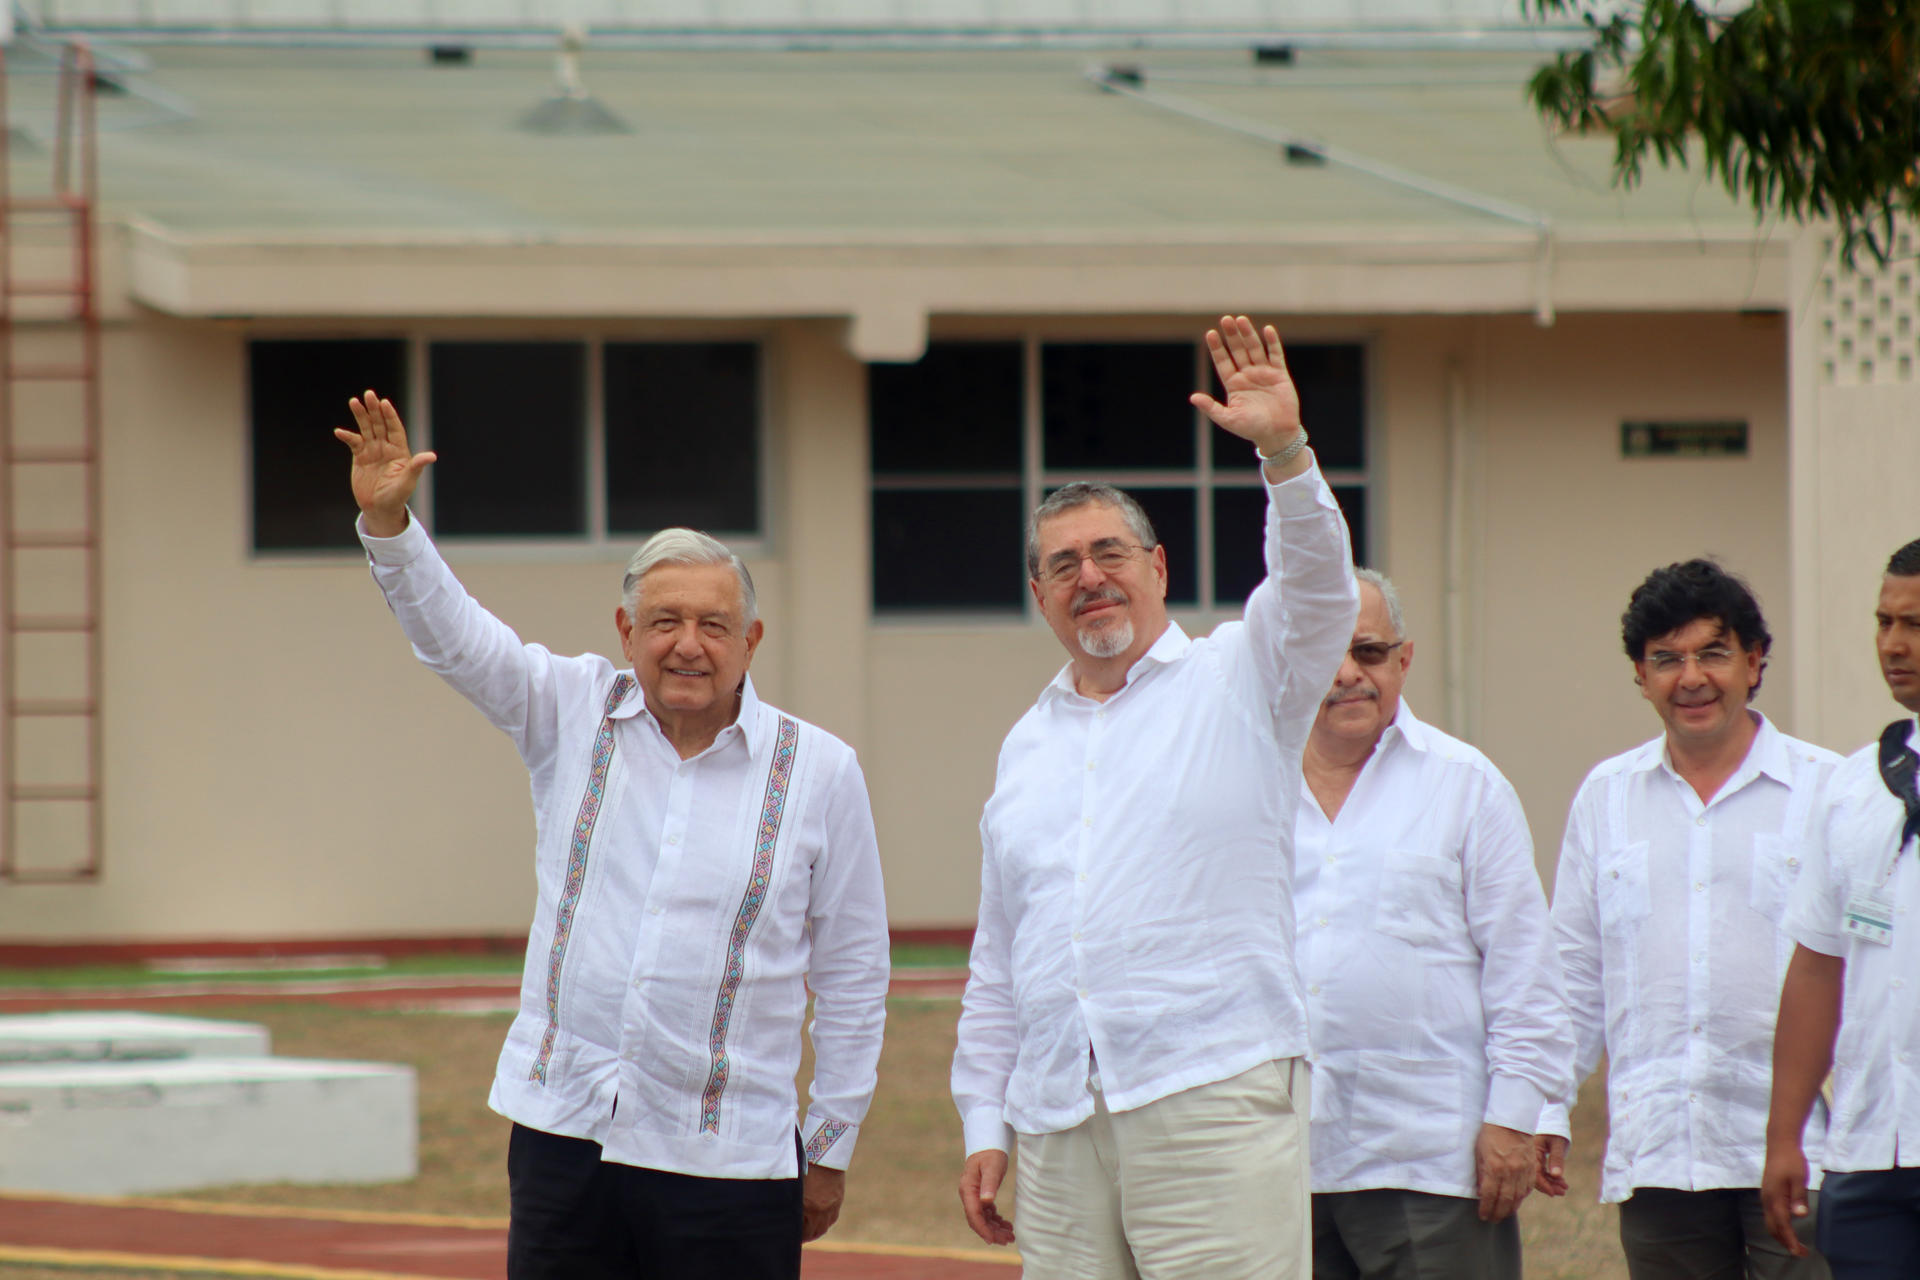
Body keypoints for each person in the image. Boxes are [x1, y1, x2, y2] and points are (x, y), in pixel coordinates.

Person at [334, 391, 889, 1280]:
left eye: (713, 625)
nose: (688, 645)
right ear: (626, 631)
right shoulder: (571, 709)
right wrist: (392, 526)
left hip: (731, 1160)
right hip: (567, 1139)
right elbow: (457, 643)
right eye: (664, 621)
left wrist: (827, 1144)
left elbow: (854, 971)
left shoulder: (821, 770)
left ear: (751, 639)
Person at [949, 316, 1360, 1280]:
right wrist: (983, 1115)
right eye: (1063, 566)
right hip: (1057, 1121)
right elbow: (1003, 952)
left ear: (1158, 568)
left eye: (1109, 554)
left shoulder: (1244, 677)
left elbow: (1317, 593)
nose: (1088, 578)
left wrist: (1285, 455)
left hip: (1209, 1092)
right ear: (1040, 597)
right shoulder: (1026, 747)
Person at [1540, 559, 1837, 1280]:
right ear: (1640, 677)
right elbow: (1573, 976)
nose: (1691, 678)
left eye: (1712, 653)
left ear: (1754, 660)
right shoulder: (1607, 798)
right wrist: (1544, 1109)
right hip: (1661, 1153)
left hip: (1804, 1152)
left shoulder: (1828, 792)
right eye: (1666, 660)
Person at [1295, 569, 1573, 1280]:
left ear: (1404, 660)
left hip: (1427, 1164)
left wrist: (1514, 1122)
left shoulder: (1466, 785)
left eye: (1369, 652)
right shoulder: (1249, 789)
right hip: (1277, 1166)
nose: (1347, 673)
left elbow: (1525, 972)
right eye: (1325, 650)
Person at [1763, 537, 1920, 1279]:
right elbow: (1819, 966)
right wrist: (1786, 1135)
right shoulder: (1856, 787)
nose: (1894, 645)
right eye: (1884, 622)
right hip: (1868, 1153)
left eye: (1915, 624)